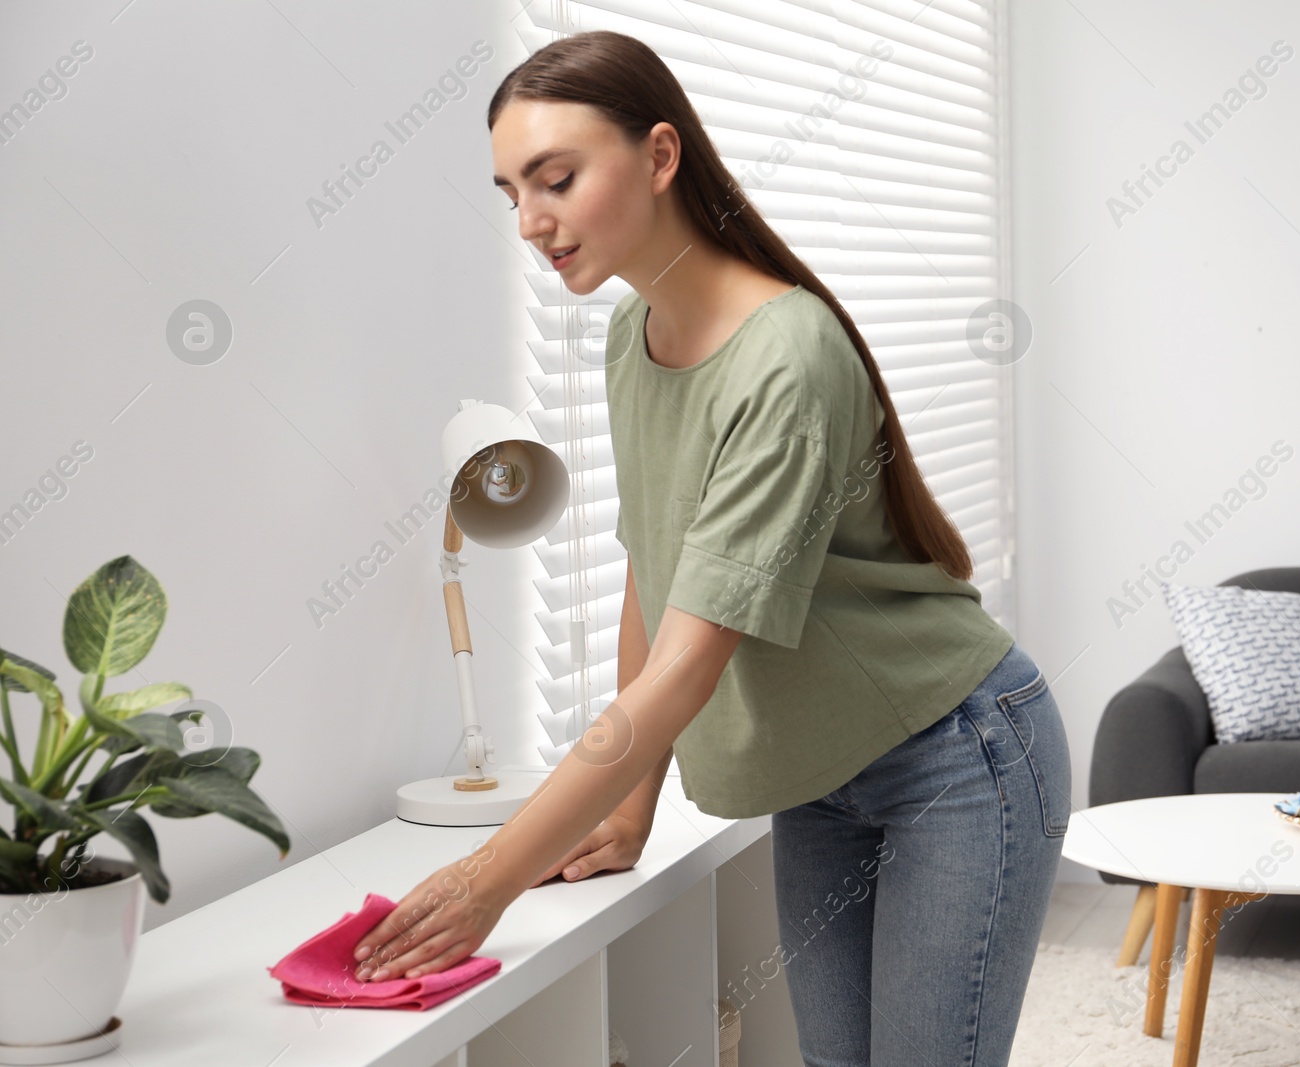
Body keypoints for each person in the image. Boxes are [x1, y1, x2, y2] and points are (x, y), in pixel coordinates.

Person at [352, 29, 1070, 1067]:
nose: (530, 221)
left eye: (554, 179)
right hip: (818, 773)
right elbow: (657, 561)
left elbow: (690, 661)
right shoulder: (628, 336)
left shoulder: (787, 354)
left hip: (953, 755)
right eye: (511, 191)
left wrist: (493, 876)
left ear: (658, 155)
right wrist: (632, 797)